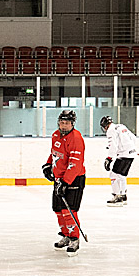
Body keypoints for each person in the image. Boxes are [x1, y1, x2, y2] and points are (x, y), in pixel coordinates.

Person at [42, 109, 86, 256]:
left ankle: (75, 239)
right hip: (59, 179)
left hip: (73, 179)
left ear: (72, 124)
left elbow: (75, 163)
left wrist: (65, 182)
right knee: (58, 209)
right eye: (61, 122)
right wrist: (48, 165)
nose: (63, 125)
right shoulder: (56, 135)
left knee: (69, 211)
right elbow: (54, 153)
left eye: (67, 123)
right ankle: (66, 235)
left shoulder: (76, 138)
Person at [100, 115, 137, 206]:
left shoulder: (110, 130)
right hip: (130, 154)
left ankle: (118, 196)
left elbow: (113, 145)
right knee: (121, 175)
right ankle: (123, 196)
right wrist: (130, 149)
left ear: (105, 126)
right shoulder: (121, 126)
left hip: (123, 155)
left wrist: (109, 158)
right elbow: (133, 138)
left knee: (113, 175)